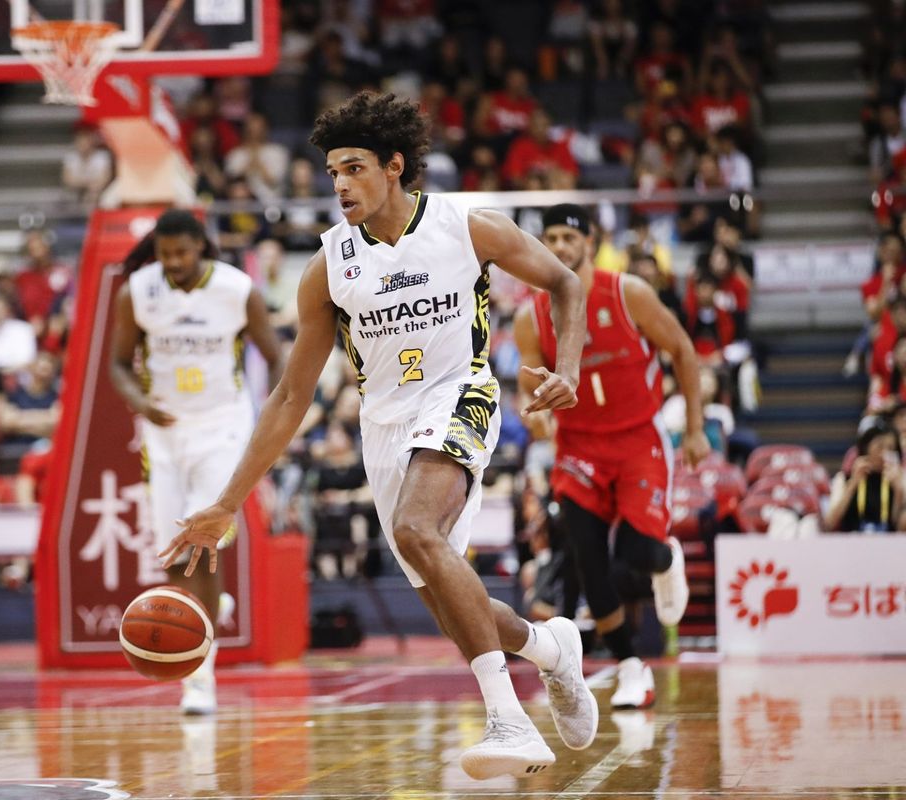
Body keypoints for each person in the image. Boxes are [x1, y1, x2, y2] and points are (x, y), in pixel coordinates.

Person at [159, 92, 597, 780]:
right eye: (333, 171)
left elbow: (565, 283)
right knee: (453, 606)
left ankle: (508, 721)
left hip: (460, 394)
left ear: (395, 166)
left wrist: (567, 368)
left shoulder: (466, 227)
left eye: (354, 168)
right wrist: (225, 503)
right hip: (384, 425)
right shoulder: (328, 267)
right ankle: (551, 649)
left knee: (418, 530)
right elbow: (289, 396)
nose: (339, 184)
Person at [515, 204, 705, 711]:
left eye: (568, 237)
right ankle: (630, 667)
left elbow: (683, 349)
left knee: (637, 554)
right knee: (588, 561)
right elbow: (525, 386)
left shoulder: (628, 293)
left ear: (591, 242)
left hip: (638, 439)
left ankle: (666, 560)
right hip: (578, 449)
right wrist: (534, 416)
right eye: (551, 237)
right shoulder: (531, 315)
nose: (559, 246)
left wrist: (694, 428)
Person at [110, 209, 284, 715]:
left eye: (182, 253)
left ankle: (199, 676)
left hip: (222, 427)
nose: (173, 262)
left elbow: (276, 356)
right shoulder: (137, 292)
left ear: (201, 247)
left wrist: (265, 416)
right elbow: (119, 364)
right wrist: (140, 403)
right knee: (174, 551)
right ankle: (208, 608)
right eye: (165, 254)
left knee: (200, 542)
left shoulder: (236, 289)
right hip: (164, 433)